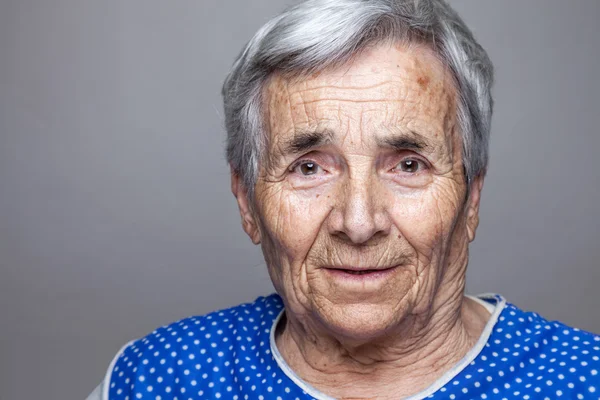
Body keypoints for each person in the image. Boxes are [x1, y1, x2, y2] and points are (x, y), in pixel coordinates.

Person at [87, 0, 600, 398]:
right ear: (246, 201)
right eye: (309, 167)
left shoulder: (583, 380)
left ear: (472, 198)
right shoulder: (157, 379)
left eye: (407, 164)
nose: (358, 222)